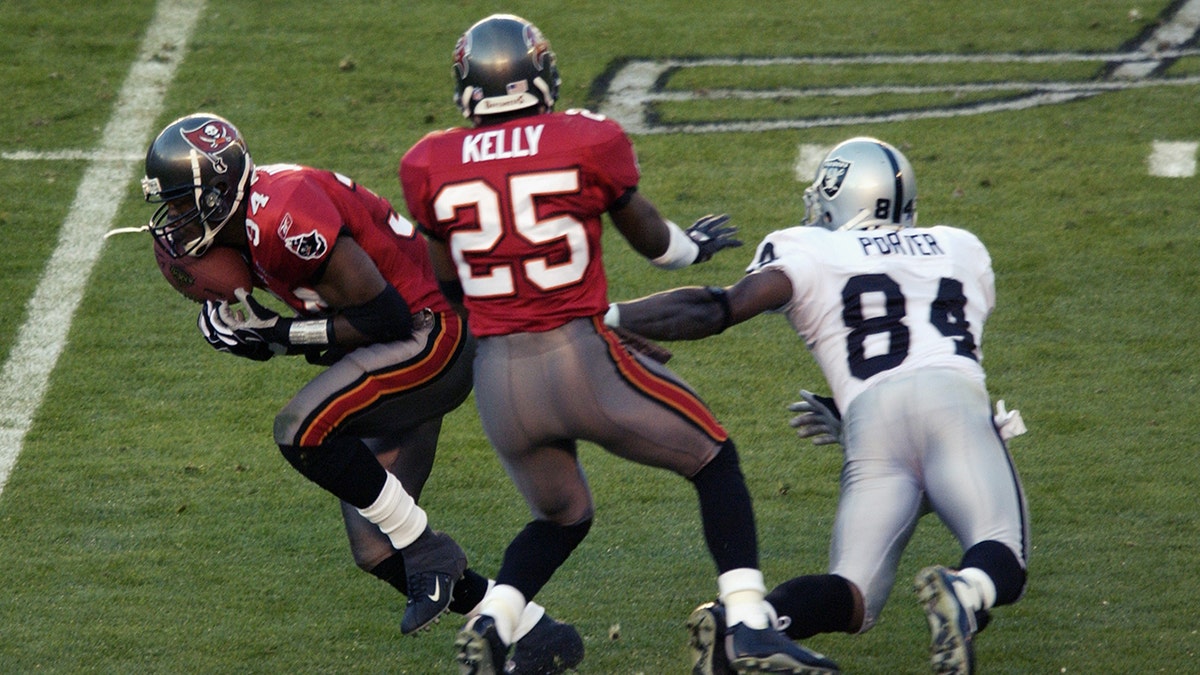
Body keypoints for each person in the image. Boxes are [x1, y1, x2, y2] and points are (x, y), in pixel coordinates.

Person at [399, 13, 840, 675]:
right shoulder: (586, 136)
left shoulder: (428, 160)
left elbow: (445, 281)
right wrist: (693, 248)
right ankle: (749, 623)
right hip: (579, 358)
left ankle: (494, 620)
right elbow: (655, 244)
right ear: (540, 74)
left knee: (564, 515)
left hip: (498, 377)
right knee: (714, 459)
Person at [139, 112, 583, 673]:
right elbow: (331, 324)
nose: (174, 219)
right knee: (374, 548)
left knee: (300, 429)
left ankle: (430, 548)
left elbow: (384, 317)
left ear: (220, 190)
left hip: (432, 335)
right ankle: (539, 633)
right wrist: (254, 337)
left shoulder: (281, 214)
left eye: (182, 203)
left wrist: (277, 332)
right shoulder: (253, 220)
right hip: (395, 346)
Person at [608, 137, 1030, 675]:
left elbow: (716, 309)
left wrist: (611, 317)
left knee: (854, 593)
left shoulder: (807, 249)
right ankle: (966, 595)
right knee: (1000, 554)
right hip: (952, 404)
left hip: (871, 423)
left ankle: (749, 624)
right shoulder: (962, 248)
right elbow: (927, 341)